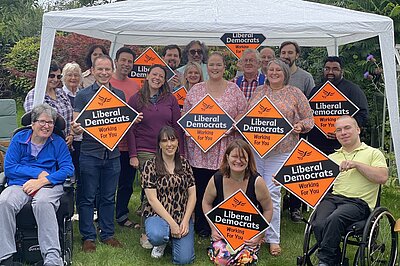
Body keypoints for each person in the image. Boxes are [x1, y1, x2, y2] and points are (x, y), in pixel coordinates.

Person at [248, 59, 314, 256]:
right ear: (266, 72)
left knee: (272, 194)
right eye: (271, 70)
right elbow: (248, 116)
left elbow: (309, 118)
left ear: (285, 73)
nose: (274, 73)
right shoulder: (259, 91)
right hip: (256, 151)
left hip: (282, 151)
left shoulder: (294, 93)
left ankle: (273, 238)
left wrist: (300, 126)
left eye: (278, 70)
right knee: (253, 192)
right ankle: (254, 234)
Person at [0, 103, 74, 266]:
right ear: (32, 124)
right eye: (42, 121)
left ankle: (53, 258)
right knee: (4, 202)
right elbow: (10, 168)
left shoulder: (58, 143)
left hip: (49, 185)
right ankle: (5, 257)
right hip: (20, 184)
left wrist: (43, 180)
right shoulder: (19, 139)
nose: (46, 126)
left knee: (42, 203)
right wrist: (37, 174)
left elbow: (68, 169)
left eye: (50, 122)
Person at [183, 52, 247, 238]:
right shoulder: (196, 90)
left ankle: (222, 226)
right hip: (199, 149)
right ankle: (202, 226)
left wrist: (233, 125)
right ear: (206, 67)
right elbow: (186, 116)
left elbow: (243, 113)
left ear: (224, 67)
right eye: (211, 64)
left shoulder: (234, 89)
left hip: (224, 148)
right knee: (201, 186)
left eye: (219, 64)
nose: (215, 68)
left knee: (222, 185)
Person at [312, 115, 388, 266]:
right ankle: (337, 261)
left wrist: (357, 165)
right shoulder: (332, 157)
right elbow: (310, 179)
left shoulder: (373, 153)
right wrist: (283, 179)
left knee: (334, 219)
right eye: (339, 130)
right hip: (333, 199)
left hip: (358, 203)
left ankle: (325, 262)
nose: (343, 132)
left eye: (347, 128)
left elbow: (382, 177)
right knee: (318, 223)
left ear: (358, 130)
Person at [72, 55, 124, 252]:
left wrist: (130, 121)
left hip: (112, 154)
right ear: (92, 71)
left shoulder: (119, 94)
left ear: (112, 70)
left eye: (107, 69)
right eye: (99, 69)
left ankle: (107, 234)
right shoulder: (83, 95)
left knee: (109, 196)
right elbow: (77, 123)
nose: (103, 73)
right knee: (87, 196)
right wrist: (76, 128)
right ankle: (88, 237)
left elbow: (121, 123)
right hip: (90, 153)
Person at [127, 64, 183, 248]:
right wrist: (133, 155)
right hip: (145, 150)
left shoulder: (171, 99)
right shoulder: (136, 99)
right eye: (154, 74)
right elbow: (130, 129)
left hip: (167, 150)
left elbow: (177, 127)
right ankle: (146, 232)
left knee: (166, 190)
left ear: (164, 79)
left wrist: (180, 153)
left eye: (161, 75)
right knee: (149, 192)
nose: (157, 78)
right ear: (148, 76)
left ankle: (166, 226)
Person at [203, 139, 273, 265]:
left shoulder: (257, 181)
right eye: (235, 156)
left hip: (248, 235)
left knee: (244, 260)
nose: (238, 161)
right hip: (223, 232)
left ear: (249, 159)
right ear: (227, 157)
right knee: (222, 260)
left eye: (243, 157)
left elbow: (268, 209)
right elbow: (206, 203)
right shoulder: (217, 179)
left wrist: (259, 235)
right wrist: (213, 228)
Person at [142, 126, 196, 264]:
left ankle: (172, 238)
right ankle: (161, 241)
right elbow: (152, 199)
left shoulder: (185, 164)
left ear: (178, 142)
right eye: (165, 141)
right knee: (157, 235)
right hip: (157, 214)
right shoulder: (150, 165)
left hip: (181, 215)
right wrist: (172, 224)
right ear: (159, 144)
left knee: (184, 260)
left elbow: (192, 195)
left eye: (172, 140)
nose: (169, 144)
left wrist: (185, 221)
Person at [279, 41, 315, 222]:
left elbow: (312, 104)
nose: (286, 55)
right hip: (272, 140)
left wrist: (301, 125)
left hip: (296, 136)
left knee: (295, 172)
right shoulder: (270, 78)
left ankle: (295, 207)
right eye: (283, 52)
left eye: (290, 52)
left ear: (297, 55)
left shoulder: (305, 77)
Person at [307, 56, 369, 155]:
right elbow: (307, 115)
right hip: (317, 147)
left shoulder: (353, 90)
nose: (330, 72)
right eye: (327, 69)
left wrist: (342, 131)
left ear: (342, 71)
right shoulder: (316, 90)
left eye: (335, 69)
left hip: (343, 147)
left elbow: (363, 115)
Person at [110, 47, 141, 229]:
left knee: (126, 183)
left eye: (130, 61)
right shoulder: (108, 82)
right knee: (106, 183)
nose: (126, 64)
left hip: (129, 143)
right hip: (109, 142)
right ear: (116, 61)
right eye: (123, 60)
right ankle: (103, 215)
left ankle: (121, 215)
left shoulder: (135, 86)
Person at [24, 60, 74, 146]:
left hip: (65, 144)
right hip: (45, 145)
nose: (55, 79)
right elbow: (34, 122)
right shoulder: (35, 95)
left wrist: (71, 135)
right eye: (51, 76)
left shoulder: (61, 93)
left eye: (58, 77)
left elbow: (71, 117)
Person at [61, 62, 83, 213]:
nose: (73, 78)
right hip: (65, 142)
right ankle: (69, 206)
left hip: (81, 141)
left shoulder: (83, 94)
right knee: (68, 174)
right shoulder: (61, 95)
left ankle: (81, 204)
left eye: (76, 75)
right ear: (64, 77)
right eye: (69, 75)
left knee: (82, 174)